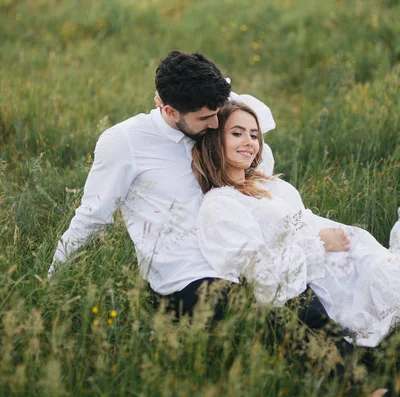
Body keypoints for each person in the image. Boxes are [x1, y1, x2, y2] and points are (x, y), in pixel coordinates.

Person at [48, 51, 276, 315]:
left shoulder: (212, 109)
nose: (216, 124)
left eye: (217, 113)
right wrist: (53, 280)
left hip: (238, 256)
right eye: (205, 118)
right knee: (246, 316)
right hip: (184, 276)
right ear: (169, 110)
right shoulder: (126, 141)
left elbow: (259, 164)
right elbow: (92, 216)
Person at [193, 100, 400, 349]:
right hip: (324, 278)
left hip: (355, 257)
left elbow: (300, 222)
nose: (249, 141)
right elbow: (262, 271)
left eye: (254, 135)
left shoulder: (266, 185)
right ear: (214, 141)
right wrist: (321, 244)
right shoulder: (220, 204)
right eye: (237, 133)